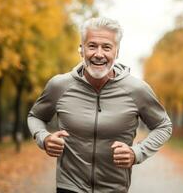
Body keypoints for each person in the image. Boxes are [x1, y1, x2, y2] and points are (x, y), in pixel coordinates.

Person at [27, 17, 172, 193]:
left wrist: (137, 153)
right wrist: (44, 138)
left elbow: (163, 125)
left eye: (107, 47)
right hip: (69, 186)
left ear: (117, 52)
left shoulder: (136, 89)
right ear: (81, 49)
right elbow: (35, 116)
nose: (99, 54)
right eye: (92, 46)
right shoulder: (60, 85)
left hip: (115, 188)